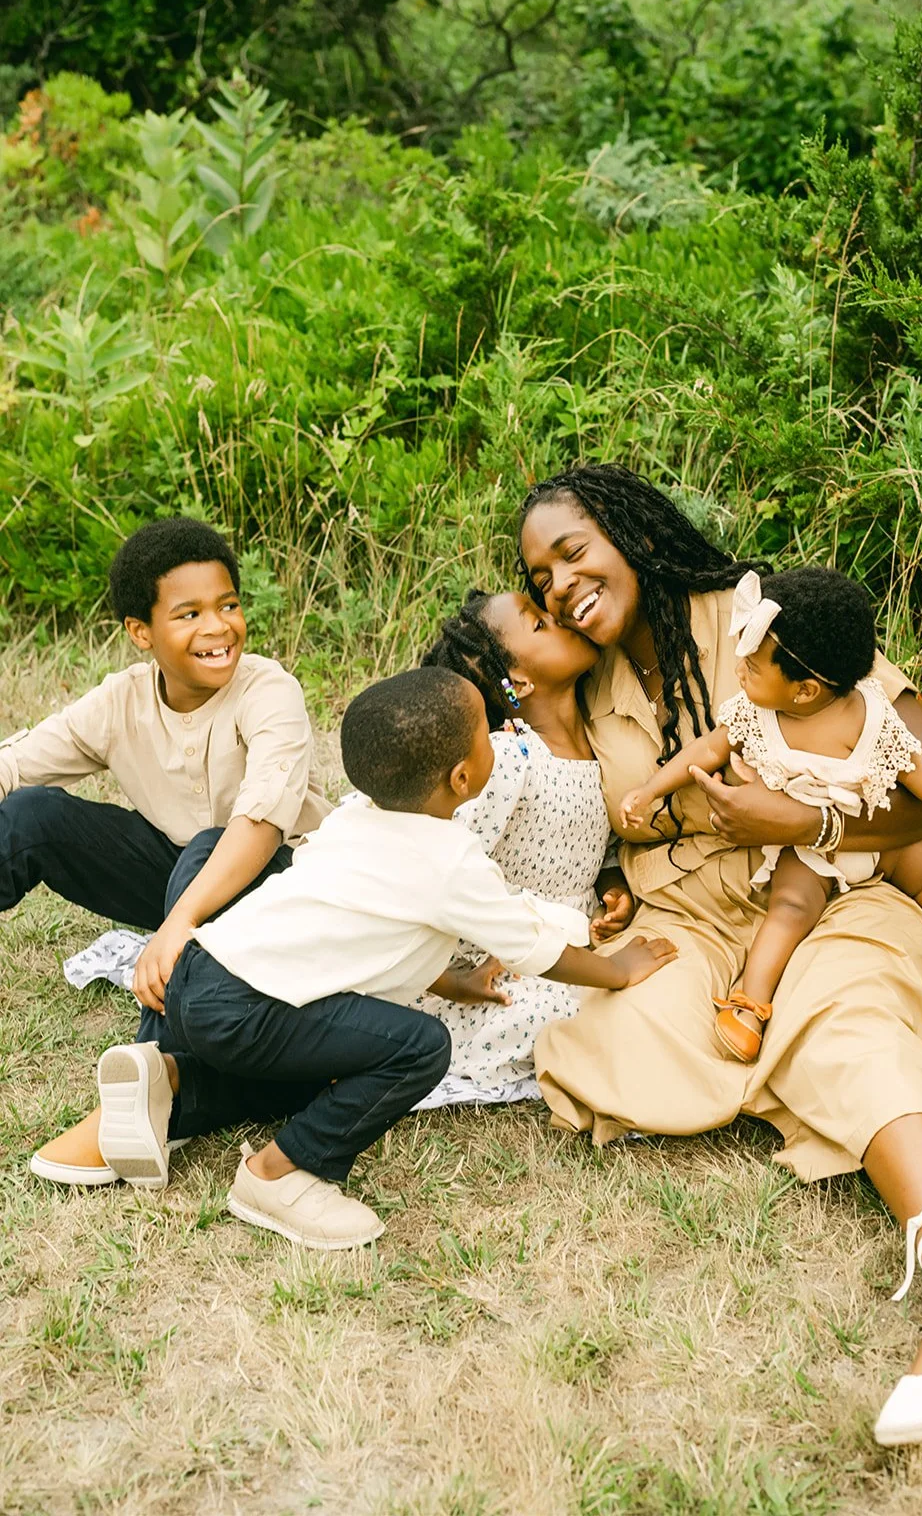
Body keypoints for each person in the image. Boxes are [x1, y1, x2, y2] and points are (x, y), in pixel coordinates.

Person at [518, 462, 922, 1446]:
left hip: (829, 892)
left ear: (631, 529)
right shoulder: (582, 678)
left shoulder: (758, 615)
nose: (558, 585)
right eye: (539, 577)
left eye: (571, 552)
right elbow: (607, 812)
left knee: (838, 1021)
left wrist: (802, 808)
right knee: (621, 1043)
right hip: (686, 922)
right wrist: (606, 876)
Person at [92, 667, 676, 1249]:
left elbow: (370, 938)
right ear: (465, 775)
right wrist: (616, 969)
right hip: (246, 1009)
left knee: (328, 1048)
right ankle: (279, 1173)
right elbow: (536, 947)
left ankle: (159, 1073)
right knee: (420, 1047)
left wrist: (455, 982)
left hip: (200, 973)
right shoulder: (451, 861)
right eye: (485, 732)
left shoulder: (351, 819)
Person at [8, 517, 330, 1186]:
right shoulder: (122, 699)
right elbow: (21, 763)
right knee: (30, 815)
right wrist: (179, 916)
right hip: (180, 873)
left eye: (229, 605)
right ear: (141, 632)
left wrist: (177, 925)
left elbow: (261, 825)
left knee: (209, 845)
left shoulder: (267, 689)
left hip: (285, 885)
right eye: (189, 613)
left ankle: (151, 1088)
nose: (218, 627)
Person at [619, 565, 922, 1063]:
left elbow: (921, 770)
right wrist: (652, 788)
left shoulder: (870, 715)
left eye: (753, 667)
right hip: (807, 845)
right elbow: (705, 750)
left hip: (876, 835)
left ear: (805, 690)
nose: (739, 670)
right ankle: (751, 1002)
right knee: (790, 909)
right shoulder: (754, 715)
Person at [417, 589, 635, 1104]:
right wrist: (448, 979)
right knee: (589, 1007)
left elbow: (596, 848)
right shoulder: (510, 758)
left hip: (572, 940)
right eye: (539, 624)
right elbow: (432, 869)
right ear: (518, 681)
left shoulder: (599, 741)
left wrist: (613, 889)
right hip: (496, 969)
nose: (559, 618)